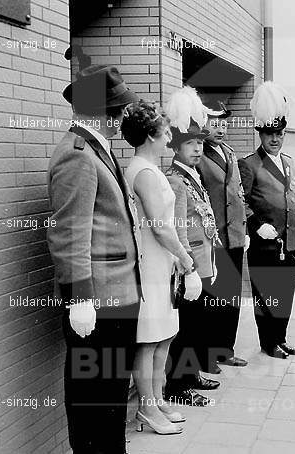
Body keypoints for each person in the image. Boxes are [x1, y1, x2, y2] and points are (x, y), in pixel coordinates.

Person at [47, 64, 141, 453]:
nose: (122, 118)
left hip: (117, 297)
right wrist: (80, 297)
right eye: (117, 109)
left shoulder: (97, 150)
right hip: (98, 302)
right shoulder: (78, 155)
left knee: (111, 396)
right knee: (94, 400)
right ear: (102, 111)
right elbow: (69, 233)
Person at [122, 101, 192, 434]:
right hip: (150, 263)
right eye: (165, 132)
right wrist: (185, 255)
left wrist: (176, 257)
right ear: (150, 135)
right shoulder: (144, 172)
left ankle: (158, 397)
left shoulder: (148, 168)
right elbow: (159, 226)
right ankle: (147, 409)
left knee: (165, 335)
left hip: (162, 262)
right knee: (149, 340)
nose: (169, 138)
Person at [163, 86, 219, 407]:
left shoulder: (194, 174)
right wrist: (190, 268)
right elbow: (179, 226)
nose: (197, 149)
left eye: (199, 143)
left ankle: (193, 372)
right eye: (190, 143)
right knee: (185, 328)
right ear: (176, 147)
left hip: (204, 258)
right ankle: (178, 385)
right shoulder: (175, 178)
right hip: (189, 263)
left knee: (197, 325)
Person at [238, 81, 295, 360]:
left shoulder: (289, 163)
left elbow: (293, 198)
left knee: (285, 292)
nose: (274, 139)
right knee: (267, 295)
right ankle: (268, 342)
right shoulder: (249, 164)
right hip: (264, 241)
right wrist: (255, 224)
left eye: (279, 134)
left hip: (287, 240)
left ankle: (281, 337)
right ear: (260, 134)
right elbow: (242, 200)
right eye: (269, 134)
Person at [197, 101, 249, 369]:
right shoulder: (198, 155)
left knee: (231, 296)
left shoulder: (229, 152)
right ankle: (207, 355)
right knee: (212, 298)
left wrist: (245, 228)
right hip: (214, 235)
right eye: (213, 123)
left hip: (235, 235)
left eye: (223, 123)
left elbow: (238, 195)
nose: (219, 128)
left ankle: (225, 349)